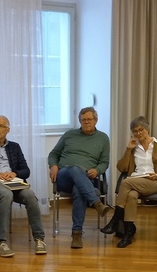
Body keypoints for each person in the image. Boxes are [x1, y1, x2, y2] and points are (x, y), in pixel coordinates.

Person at [0, 115, 47, 257]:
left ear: (8, 129)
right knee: (6, 195)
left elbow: (26, 170)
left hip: (12, 182)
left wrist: (14, 173)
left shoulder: (14, 147)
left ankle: (39, 239)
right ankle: (0, 242)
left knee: (30, 195)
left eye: (0, 126)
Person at [102, 116, 157, 248]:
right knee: (131, 195)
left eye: (141, 130)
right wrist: (128, 149)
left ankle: (115, 220)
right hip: (135, 181)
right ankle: (128, 234)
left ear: (147, 129)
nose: (138, 133)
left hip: (154, 182)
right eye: (135, 131)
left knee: (126, 182)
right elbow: (122, 168)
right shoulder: (134, 148)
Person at [48, 107, 113, 249]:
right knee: (75, 169)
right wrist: (53, 165)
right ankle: (96, 202)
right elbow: (53, 154)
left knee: (79, 189)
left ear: (96, 120)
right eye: (83, 120)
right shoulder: (69, 135)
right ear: (80, 121)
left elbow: (104, 162)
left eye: (89, 119)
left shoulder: (103, 138)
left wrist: (97, 170)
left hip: (87, 178)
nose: (86, 122)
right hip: (64, 176)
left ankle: (76, 233)